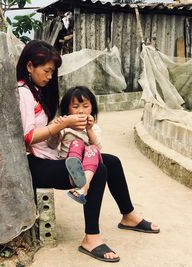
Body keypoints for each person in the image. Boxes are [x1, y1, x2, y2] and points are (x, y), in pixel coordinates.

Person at [16, 40, 160, 263]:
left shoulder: (37, 91)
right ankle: (91, 238)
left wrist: (66, 127)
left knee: (112, 162)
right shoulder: (23, 93)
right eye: (46, 71)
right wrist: (62, 125)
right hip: (35, 165)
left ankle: (129, 216)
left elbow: (50, 136)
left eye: (52, 72)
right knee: (99, 169)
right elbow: (28, 138)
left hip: (49, 157)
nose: (49, 76)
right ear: (29, 66)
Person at [48, 86, 103, 205]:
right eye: (75, 106)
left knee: (92, 148)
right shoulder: (65, 125)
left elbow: (98, 148)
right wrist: (58, 127)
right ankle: (74, 166)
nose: (81, 111)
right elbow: (52, 145)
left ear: (92, 108)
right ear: (67, 110)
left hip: (87, 165)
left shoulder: (94, 127)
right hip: (66, 163)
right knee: (77, 143)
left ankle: (84, 186)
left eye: (85, 106)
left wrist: (89, 130)